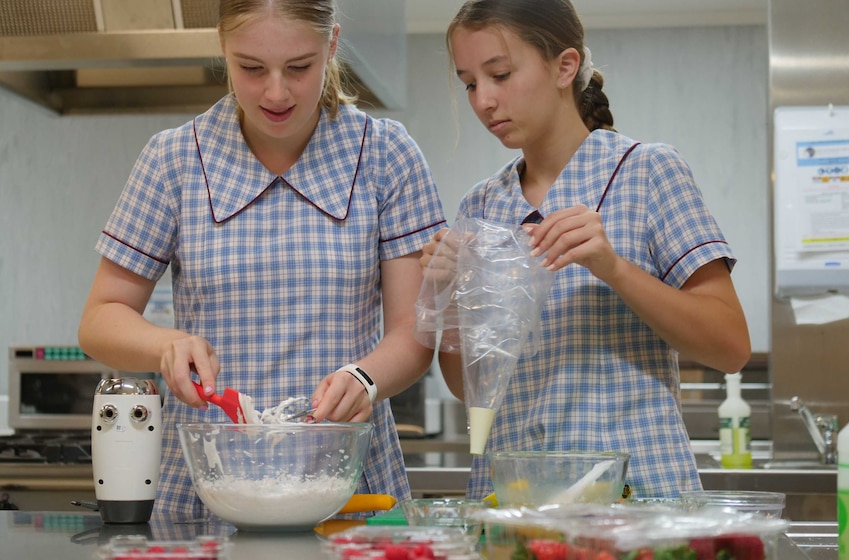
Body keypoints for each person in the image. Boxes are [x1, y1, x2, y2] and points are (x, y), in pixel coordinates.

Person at [78, 0, 446, 517]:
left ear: (332, 45)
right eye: (251, 68)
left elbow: (414, 332)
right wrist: (167, 345)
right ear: (223, 49)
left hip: (346, 487)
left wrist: (365, 379)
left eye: (299, 67)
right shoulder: (174, 160)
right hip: (209, 487)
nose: (276, 92)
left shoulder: (387, 155)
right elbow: (99, 319)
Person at [420, 0, 751, 500]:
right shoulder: (482, 205)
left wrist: (613, 268)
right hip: (515, 500)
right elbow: (470, 387)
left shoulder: (646, 172)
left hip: (638, 499)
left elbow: (730, 347)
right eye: (470, 83)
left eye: (501, 74)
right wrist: (447, 293)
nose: (484, 100)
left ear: (565, 66)